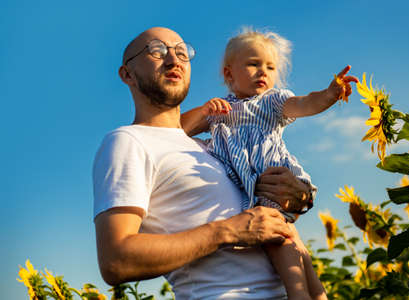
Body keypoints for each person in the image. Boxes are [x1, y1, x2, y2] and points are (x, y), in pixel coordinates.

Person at [93, 27, 327, 299]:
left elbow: (266, 212)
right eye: (156, 51)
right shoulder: (129, 141)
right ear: (127, 74)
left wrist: (299, 196)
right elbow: (115, 261)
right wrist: (229, 231)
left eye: (182, 52)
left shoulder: (218, 146)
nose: (173, 60)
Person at [181, 28, 358, 299]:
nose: (263, 71)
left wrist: (329, 94)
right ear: (229, 74)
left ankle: (297, 295)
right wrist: (204, 111)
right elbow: (178, 129)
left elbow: (304, 104)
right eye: (253, 64)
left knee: (276, 239)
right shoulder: (220, 111)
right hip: (250, 183)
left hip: (270, 177)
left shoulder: (272, 102)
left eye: (270, 66)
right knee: (293, 240)